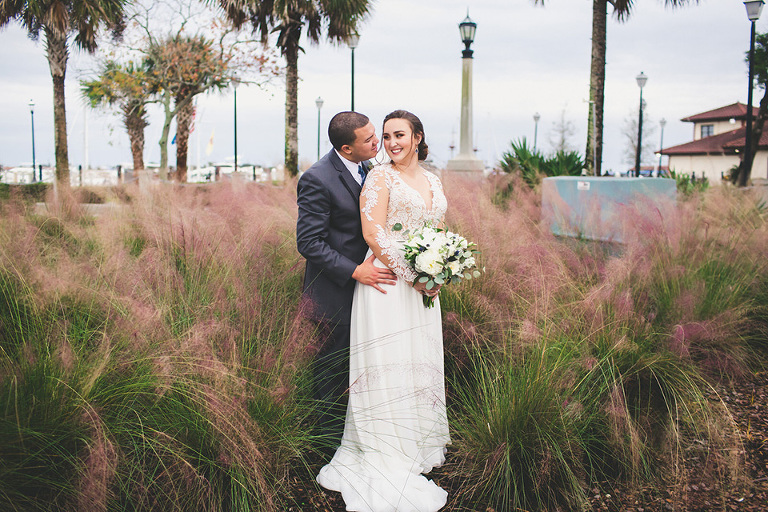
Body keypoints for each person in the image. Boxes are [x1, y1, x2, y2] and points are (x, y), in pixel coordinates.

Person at [316, 110, 450, 512]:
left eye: (399, 135)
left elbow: (438, 229)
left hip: (425, 288)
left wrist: (441, 266)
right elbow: (373, 232)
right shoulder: (380, 176)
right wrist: (414, 273)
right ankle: (386, 448)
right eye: (387, 136)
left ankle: (416, 442)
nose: (391, 143)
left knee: (418, 360)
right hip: (390, 285)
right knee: (390, 361)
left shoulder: (432, 179)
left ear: (418, 136)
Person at [296, 111, 398, 456]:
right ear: (346, 148)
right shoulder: (317, 179)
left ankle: (360, 439)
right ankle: (325, 450)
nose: (378, 142)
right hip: (333, 295)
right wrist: (355, 271)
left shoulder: (368, 168)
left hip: (369, 293)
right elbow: (308, 243)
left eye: (376, 134)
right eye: (370, 140)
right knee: (331, 371)